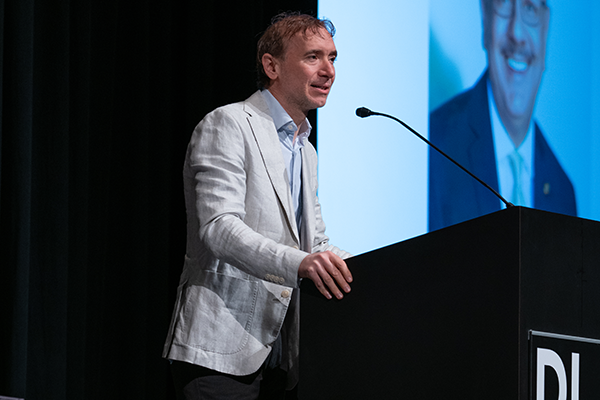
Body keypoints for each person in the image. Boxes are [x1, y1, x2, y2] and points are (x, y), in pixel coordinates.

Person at [162, 12, 352, 400]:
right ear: (272, 65)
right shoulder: (228, 124)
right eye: (313, 57)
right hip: (219, 351)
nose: (328, 70)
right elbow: (218, 226)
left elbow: (315, 243)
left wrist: (379, 266)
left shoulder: (307, 150)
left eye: (333, 58)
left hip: (283, 357)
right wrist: (298, 263)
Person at [428, 0, 577, 231]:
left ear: (546, 28)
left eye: (530, 9)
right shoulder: (434, 146)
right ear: (485, 19)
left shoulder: (563, 191)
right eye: (504, 5)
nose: (517, 33)